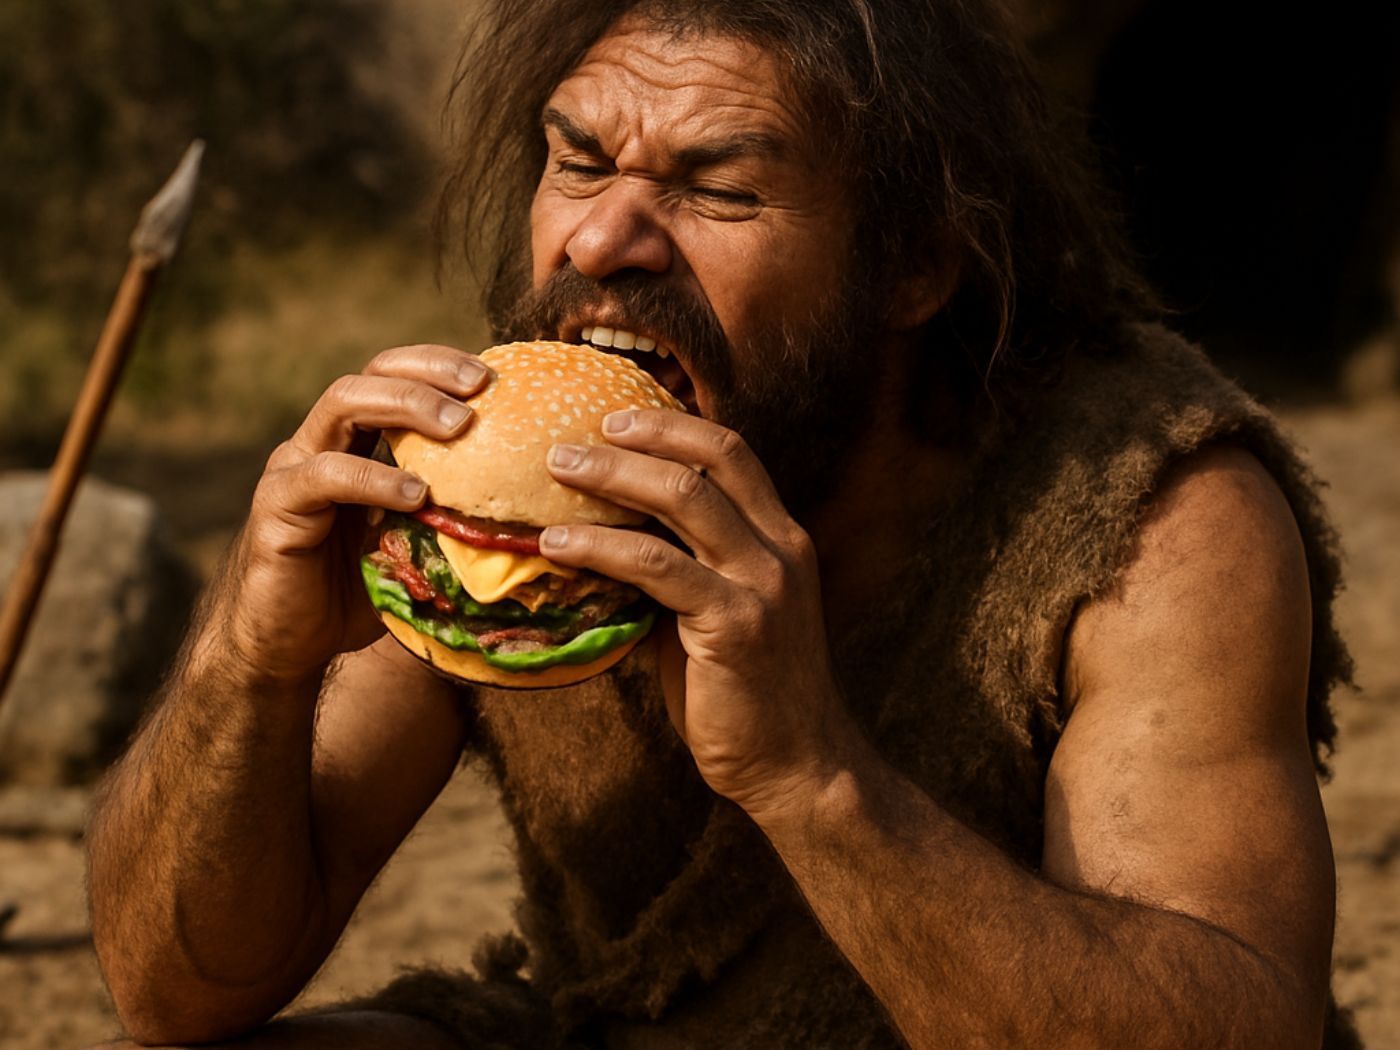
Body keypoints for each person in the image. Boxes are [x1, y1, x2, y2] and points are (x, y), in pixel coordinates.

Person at [87, 1, 1361, 1047]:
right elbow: (174, 992)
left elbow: (1240, 1027)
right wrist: (245, 664)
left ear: (915, 263)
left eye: (718, 192)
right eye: (577, 161)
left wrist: (808, 772)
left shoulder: (1145, 509)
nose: (602, 241)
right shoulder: (477, 488)